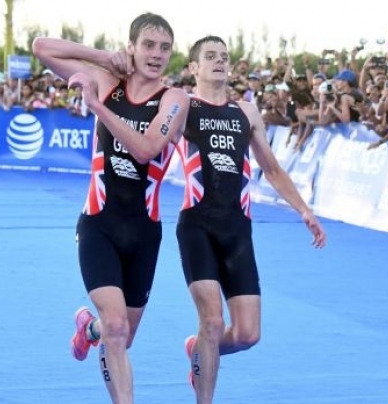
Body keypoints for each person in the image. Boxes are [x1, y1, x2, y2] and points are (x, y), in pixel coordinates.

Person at [70, 35, 326, 404]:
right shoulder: (181, 106)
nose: (220, 61)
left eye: (224, 56)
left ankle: (199, 351)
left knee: (247, 334)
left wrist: (304, 210)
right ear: (193, 68)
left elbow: (270, 167)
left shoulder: (246, 112)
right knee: (212, 321)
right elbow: (148, 131)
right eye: (210, 56)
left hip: (238, 230)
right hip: (197, 227)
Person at [31, 12, 190, 404]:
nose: (156, 55)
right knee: (117, 329)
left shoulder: (173, 99)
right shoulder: (108, 81)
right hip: (99, 225)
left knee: (122, 335)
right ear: (131, 47)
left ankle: (88, 330)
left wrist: (96, 107)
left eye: (164, 48)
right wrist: (103, 58)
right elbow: (41, 48)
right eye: (148, 45)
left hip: (145, 234)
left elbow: (146, 148)